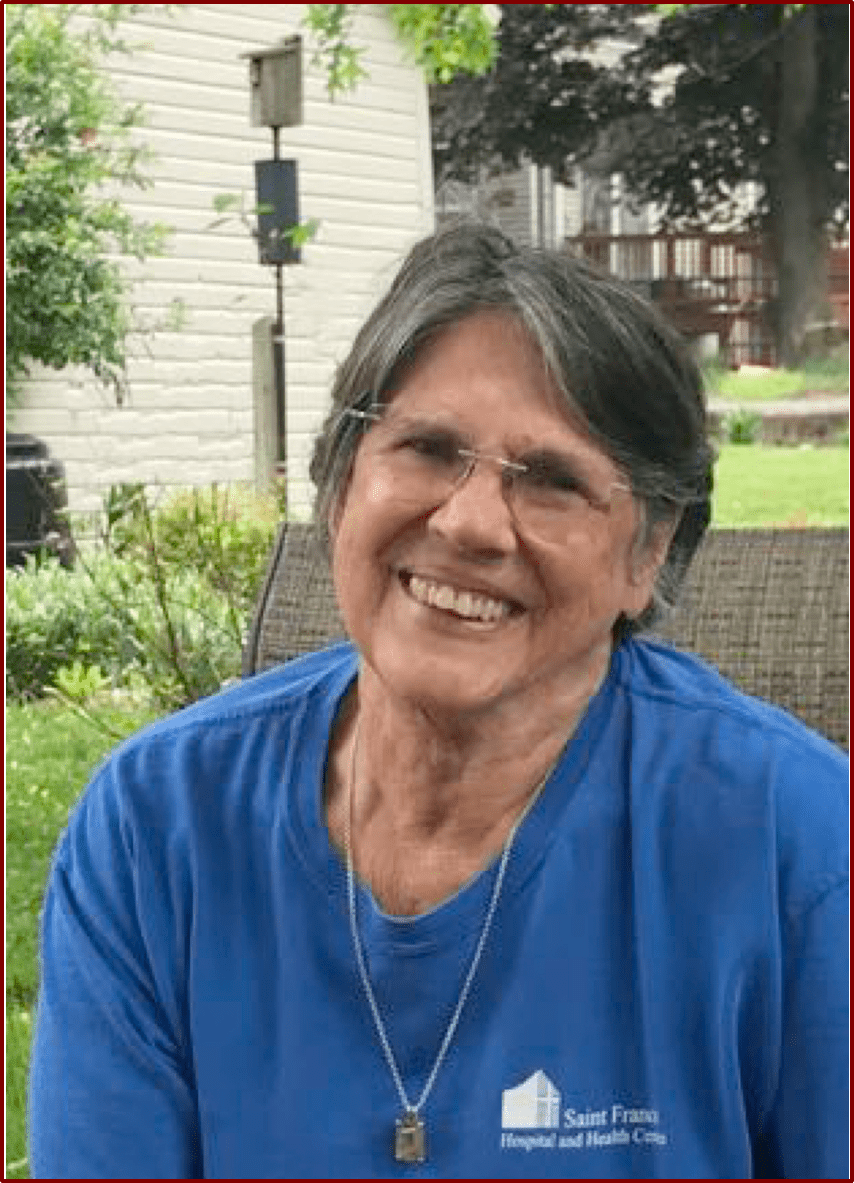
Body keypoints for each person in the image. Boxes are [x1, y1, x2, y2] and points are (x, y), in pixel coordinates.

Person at [29, 222, 848, 1179]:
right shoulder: (156, 828)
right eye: (426, 447)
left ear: (649, 551)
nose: (468, 522)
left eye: (552, 481)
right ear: (341, 485)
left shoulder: (799, 847)